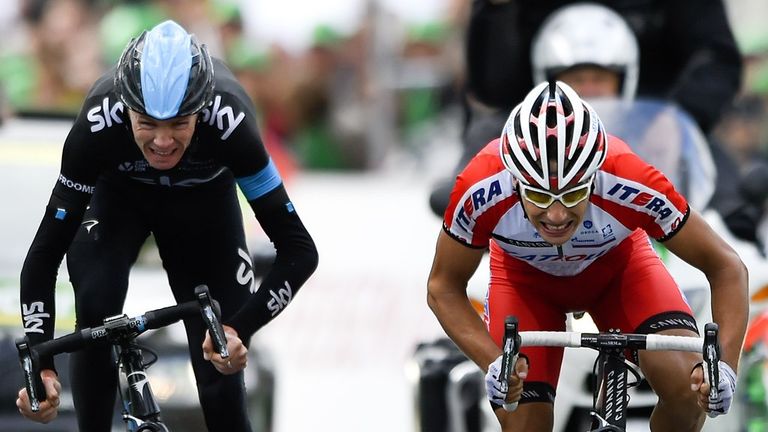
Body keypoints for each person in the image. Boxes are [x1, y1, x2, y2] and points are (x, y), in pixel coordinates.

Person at [16, 20, 318, 431]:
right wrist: (42, 366)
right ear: (126, 108)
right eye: (147, 124)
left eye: (178, 123)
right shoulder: (96, 124)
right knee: (97, 304)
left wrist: (239, 328)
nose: (162, 141)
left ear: (201, 109)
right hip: (119, 198)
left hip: (202, 202)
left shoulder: (231, 123)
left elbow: (300, 251)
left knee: (219, 364)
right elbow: (44, 254)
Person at [426, 81, 748, 431]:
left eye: (573, 193)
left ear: (595, 176)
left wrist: (725, 368)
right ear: (515, 180)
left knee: (688, 388)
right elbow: (443, 286)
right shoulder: (481, 186)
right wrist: (494, 363)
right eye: (538, 196)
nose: (557, 214)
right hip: (525, 283)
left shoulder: (628, 177)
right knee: (523, 420)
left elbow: (727, 266)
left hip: (618, 272)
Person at [429, 2, 640, 216]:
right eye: (576, 79)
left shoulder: (652, 132)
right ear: (548, 81)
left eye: (600, 78)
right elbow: (464, 194)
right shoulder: (506, 140)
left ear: (624, 80)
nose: (589, 90)